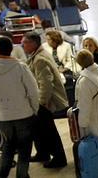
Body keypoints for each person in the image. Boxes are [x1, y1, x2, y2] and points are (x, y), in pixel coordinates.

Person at [0, 36, 39, 178]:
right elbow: (33, 91)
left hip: (3, 117)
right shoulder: (20, 67)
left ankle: (1, 173)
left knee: (7, 145)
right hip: (24, 114)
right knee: (24, 148)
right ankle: (22, 175)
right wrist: (34, 109)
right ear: (12, 49)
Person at [22, 32, 68, 168]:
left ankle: (59, 158)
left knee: (48, 131)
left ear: (33, 44)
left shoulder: (39, 59)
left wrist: (42, 103)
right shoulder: (37, 55)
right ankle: (42, 153)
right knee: (38, 130)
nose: (22, 45)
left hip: (45, 102)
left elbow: (46, 84)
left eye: (25, 42)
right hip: (38, 101)